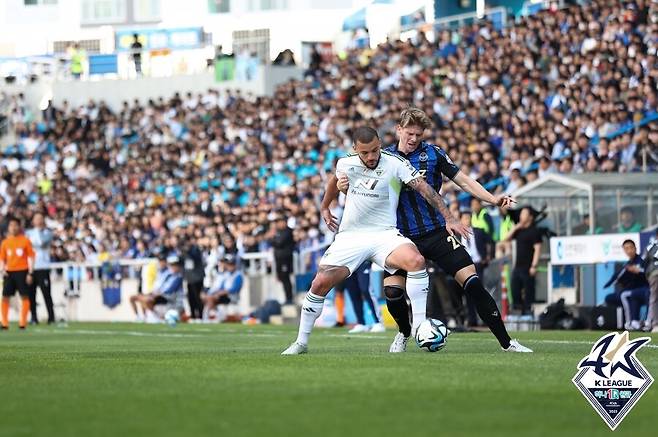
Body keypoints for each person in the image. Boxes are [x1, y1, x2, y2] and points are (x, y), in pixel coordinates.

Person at [337, 109, 530, 353]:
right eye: (409, 133)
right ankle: (404, 333)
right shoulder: (383, 158)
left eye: (419, 134)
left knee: (472, 283)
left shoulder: (433, 154)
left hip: (437, 231)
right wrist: (343, 185)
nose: (414, 138)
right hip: (400, 237)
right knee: (393, 293)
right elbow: (358, 183)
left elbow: (465, 181)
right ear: (399, 130)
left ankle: (507, 342)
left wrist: (493, 199)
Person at [282, 126, 470, 355]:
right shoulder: (345, 163)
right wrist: (324, 207)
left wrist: (449, 217)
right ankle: (301, 342)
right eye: (365, 153)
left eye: (374, 150)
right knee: (320, 283)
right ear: (355, 150)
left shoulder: (395, 163)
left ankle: (419, 325)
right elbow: (334, 181)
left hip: (385, 233)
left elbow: (425, 189)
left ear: (380, 143)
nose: (371, 157)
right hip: (351, 236)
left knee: (415, 260)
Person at [604, 240, 650, 331]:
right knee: (610, 297)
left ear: (635, 248)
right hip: (634, 291)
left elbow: (647, 274)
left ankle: (630, 323)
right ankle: (634, 321)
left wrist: (638, 271)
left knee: (625, 294)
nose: (629, 251)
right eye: (626, 249)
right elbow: (617, 278)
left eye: (631, 248)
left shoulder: (641, 261)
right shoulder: (627, 264)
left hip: (645, 290)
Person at [506, 207, 543, 316]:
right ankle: (518, 312)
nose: (521, 216)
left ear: (530, 217)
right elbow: (505, 239)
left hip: (528, 267)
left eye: (524, 214)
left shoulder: (535, 231)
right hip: (517, 266)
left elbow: (538, 249)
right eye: (521, 214)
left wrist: (534, 265)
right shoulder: (519, 231)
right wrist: (516, 227)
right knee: (515, 291)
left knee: (528, 293)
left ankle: (528, 314)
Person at [459, 210, 494, 327]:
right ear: (460, 220)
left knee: (480, 292)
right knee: (468, 293)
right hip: (464, 266)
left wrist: (488, 256)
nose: (467, 220)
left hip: (478, 264)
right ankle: (472, 319)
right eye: (464, 218)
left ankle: (485, 318)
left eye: (469, 218)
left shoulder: (479, 232)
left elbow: (490, 241)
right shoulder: (456, 234)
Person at [0, 217, 35, 330]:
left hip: (22, 271)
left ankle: (22, 323)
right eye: (11, 225)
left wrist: (30, 272)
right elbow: (2, 259)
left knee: (24, 296)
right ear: (8, 227)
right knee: (5, 296)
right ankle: (4, 323)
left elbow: (31, 257)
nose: (13, 227)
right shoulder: (5, 242)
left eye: (15, 225)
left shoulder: (25, 240)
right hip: (9, 272)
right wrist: (2, 270)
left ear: (19, 226)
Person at [25, 212, 55, 324]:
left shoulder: (47, 232)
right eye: (36, 218)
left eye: (40, 218)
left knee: (46, 293)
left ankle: (51, 317)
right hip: (32, 267)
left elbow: (42, 243)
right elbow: (27, 247)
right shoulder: (28, 233)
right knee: (31, 294)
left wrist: (36, 234)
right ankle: (33, 317)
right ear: (33, 220)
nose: (39, 220)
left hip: (43, 267)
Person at [344, 262, 385, 333]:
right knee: (353, 292)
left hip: (363, 261)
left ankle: (378, 322)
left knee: (366, 290)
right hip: (349, 262)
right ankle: (361, 323)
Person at [202, 254, 244, 321]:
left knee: (211, 298)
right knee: (207, 297)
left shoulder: (238, 275)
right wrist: (213, 293)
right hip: (223, 295)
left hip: (231, 296)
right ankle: (212, 316)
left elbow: (235, 289)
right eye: (228, 264)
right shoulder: (226, 274)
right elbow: (220, 287)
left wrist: (220, 293)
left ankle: (211, 317)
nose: (229, 266)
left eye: (231, 264)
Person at [143, 255, 184, 323]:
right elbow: (160, 286)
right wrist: (154, 292)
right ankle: (151, 316)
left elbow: (170, 290)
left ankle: (157, 317)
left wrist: (158, 293)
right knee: (144, 298)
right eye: (172, 265)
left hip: (172, 301)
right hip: (164, 298)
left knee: (148, 300)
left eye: (175, 265)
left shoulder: (179, 277)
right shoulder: (167, 275)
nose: (173, 267)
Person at [130, 253, 168, 322]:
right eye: (160, 261)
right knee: (133, 298)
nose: (161, 263)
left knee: (146, 300)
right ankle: (139, 317)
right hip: (152, 292)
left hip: (160, 295)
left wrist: (154, 293)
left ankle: (156, 316)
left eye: (163, 261)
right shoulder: (159, 271)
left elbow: (164, 287)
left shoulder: (167, 272)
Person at [270, 216, 295, 304]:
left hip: (285, 259)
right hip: (279, 260)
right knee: (282, 278)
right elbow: (273, 242)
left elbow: (279, 242)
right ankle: (287, 298)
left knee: (286, 278)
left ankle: (289, 298)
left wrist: (273, 238)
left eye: (280, 222)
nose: (278, 224)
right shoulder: (279, 232)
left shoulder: (288, 231)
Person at [183, 238, 205, 320]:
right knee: (190, 298)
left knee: (197, 298)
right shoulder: (184, 250)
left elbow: (195, 258)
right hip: (189, 278)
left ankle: (200, 315)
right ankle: (192, 315)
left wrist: (188, 251)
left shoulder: (195, 249)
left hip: (197, 278)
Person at [643, 229, 658, 332]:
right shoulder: (652, 246)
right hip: (654, 274)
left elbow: (643, 261)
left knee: (654, 300)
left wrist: (647, 276)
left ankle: (655, 324)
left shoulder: (650, 246)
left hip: (654, 274)